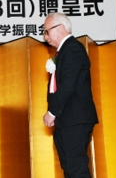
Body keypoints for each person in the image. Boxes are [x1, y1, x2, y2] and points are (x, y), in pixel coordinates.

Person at [42, 12, 98, 178]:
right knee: (69, 167)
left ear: (60, 28)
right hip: (67, 119)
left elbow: (67, 85)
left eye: (47, 31)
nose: (45, 37)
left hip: (75, 119)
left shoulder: (72, 49)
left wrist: (52, 112)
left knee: (76, 168)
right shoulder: (65, 51)